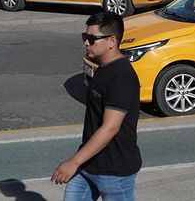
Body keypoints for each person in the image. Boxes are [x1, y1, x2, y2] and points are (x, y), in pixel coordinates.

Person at [51, 11, 141, 200]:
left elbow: (110, 128)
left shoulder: (122, 77)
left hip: (115, 172)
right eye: (85, 37)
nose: (86, 43)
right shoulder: (102, 68)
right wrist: (80, 159)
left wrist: (73, 162)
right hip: (88, 164)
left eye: (92, 39)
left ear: (111, 41)